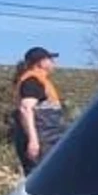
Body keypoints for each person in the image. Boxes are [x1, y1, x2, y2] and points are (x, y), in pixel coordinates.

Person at [11, 46, 67, 175]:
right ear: (40, 63)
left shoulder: (39, 80)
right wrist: (33, 140)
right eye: (50, 59)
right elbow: (25, 109)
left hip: (48, 139)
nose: (53, 63)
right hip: (42, 140)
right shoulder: (32, 80)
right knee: (43, 177)